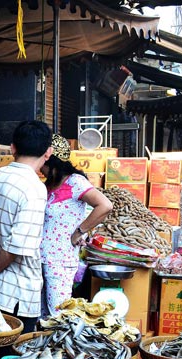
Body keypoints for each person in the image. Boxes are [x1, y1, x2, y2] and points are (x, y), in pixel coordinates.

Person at [0, 120, 51, 332]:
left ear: (13, 148)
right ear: (48, 152)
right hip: (15, 297)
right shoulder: (34, 188)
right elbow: (18, 246)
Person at [40, 134, 113, 317]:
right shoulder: (48, 185)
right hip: (39, 260)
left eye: (42, 160)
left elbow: (105, 206)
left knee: (58, 315)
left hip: (60, 261)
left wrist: (79, 232)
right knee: (41, 316)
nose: (39, 166)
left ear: (52, 161)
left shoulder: (75, 182)